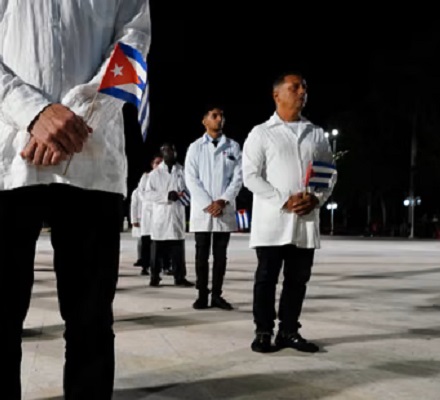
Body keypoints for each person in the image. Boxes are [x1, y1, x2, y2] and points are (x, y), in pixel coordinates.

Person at [0, 1, 150, 398]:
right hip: (1, 159)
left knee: (92, 325)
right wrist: (34, 112)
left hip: (91, 158)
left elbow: (134, 48)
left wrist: (80, 116)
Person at [242, 72, 336, 353]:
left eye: (304, 87)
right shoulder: (261, 133)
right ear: (277, 95)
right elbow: (250, 176)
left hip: (305, 219)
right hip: (273, 219)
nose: (302, 92)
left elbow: (328, 172)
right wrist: (284, 200)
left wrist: (316, 199)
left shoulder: (316, 133)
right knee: (267, 279)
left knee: (297, 280)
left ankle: (289, 331)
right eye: (294, 87)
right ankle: (263, 331)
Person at [184, 106, 243, 310]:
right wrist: (208, 203)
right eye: (214, 116)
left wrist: (223, 200)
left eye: (221, 116)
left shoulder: (233, 147)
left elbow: (238, 177)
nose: (219, 119)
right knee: (201, 255)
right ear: (204, 121)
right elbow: (191, 179)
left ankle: (217, 294)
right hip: (204, 210)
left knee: (220, 256)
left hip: (223, 208)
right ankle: (202, 294)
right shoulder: (195, 147)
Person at [144, 143, 195, 288]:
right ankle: (154, 277)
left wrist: (183, 196)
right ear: (162, 153)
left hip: (177, 214)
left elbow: (189, 189)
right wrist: (166, 196)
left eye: (172, 150)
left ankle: (180, 277)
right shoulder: (155, 174)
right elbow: (148, 194)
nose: (170, 153)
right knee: (157, 250)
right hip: (161, 216)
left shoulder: (182, 171)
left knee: (178, 249)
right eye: (166, 150)